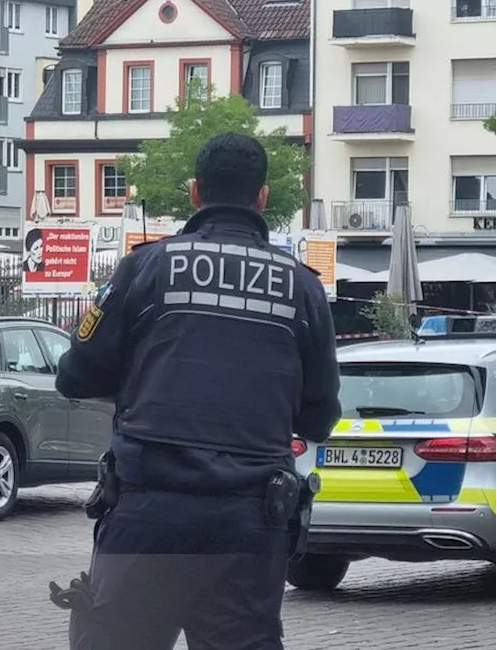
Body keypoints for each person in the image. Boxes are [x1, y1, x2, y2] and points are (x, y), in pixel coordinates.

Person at [54, 133, 341, 649]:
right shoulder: (303, 289)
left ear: (194, 193)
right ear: (263, 197)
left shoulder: (145, 268)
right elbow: (320, 417)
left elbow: (75, 375)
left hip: (148, 516)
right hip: (250, 524)